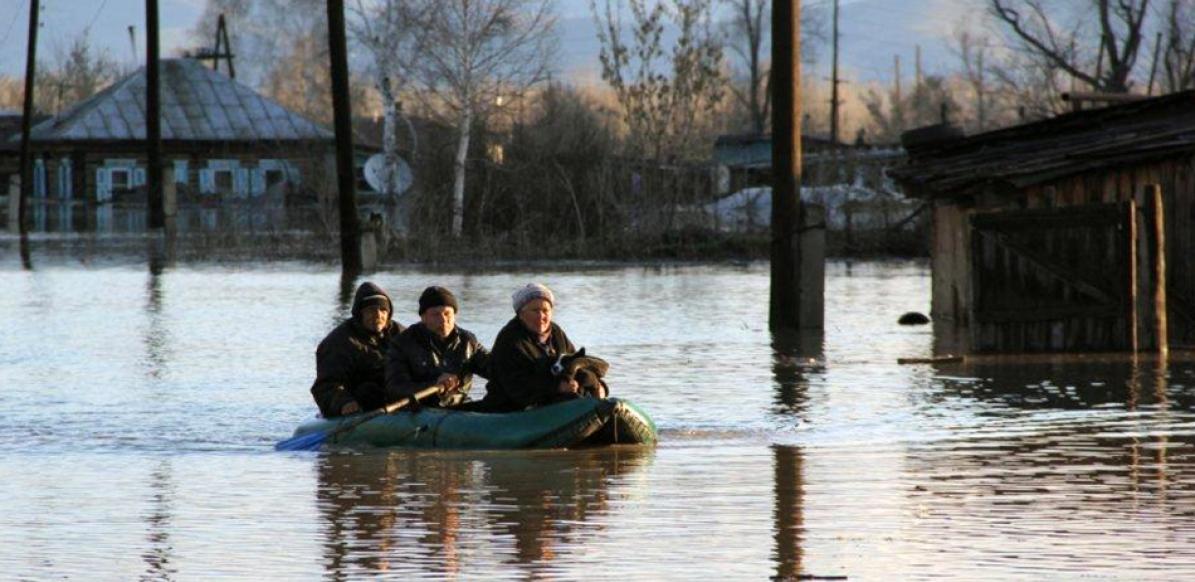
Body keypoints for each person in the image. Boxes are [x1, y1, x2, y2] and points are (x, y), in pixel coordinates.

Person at [480, 283, 580, 412]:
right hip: (509, 407)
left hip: (549, 401)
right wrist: (556, 387)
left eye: (545, 311)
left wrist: (595, 385)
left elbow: (575, 361)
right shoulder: (509, 339)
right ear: (521, 314)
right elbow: (517, 386)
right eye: (535, 310)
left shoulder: (556, 332)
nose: (541, 316)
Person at [310, 281, 404, 418]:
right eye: (371, 310)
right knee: (368, 390)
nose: (378, 315)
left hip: (397, 398)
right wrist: (343, 403)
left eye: (383, 310)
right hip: (361, 402)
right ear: (360, 313)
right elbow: (326, 385)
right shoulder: (338, 343)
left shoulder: (402, 335)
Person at [385, 286, 489, 408]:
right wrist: (434, 384)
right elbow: (395, 388)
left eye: (447, 314)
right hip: (419, 410)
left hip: (459, 407)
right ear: (423, 317)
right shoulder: (403, 343)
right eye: (436, 315)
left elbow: (494, 367)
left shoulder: (468, 341)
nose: (443, 320)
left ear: (455, 315)